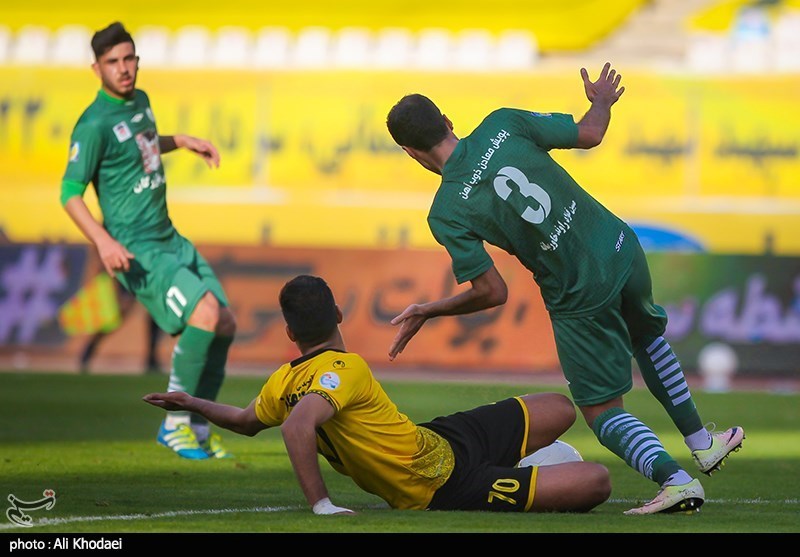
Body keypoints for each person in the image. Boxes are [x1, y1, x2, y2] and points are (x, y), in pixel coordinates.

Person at [384, 62, 745, 515]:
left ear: (410, 153)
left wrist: (430, 309)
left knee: (601, 410)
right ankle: (702, 443)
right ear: (447, 120)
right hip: (620, 246)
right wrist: (601, 101)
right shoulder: (502, 123)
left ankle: (675, 481)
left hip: (578, 292)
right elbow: (590, 133)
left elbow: (493, 292)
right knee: (647, 337)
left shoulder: (446, 212)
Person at [143, 274, 612, 515]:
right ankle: (519, 473)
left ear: (289, 332)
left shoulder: (281, 382)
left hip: (440, 439)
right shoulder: (344, 368)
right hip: (441, 490)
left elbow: (246, 422)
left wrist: (192, 402)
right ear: (339, 314)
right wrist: (321, 504)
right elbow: (298, 426)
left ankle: (520, 464)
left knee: (559, 407)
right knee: (596, 482)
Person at [60, 22, 236, 460]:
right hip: (137, 249)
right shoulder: (93, 124)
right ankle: (173, 426)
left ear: (137, 61)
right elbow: (69, 193)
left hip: (169, 237)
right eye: (112, 62)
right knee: (205, 313)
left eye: (129, 58)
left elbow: (142, 146)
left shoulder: (140, 101)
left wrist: (182, 141)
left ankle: (197, 427)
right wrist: (103, 242)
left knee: (225, 323)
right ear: (97, 69)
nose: (123, 68)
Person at [79, 274, 163, 375]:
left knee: (155, 314)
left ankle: (151, 358)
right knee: (118, 315)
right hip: (131, 274)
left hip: (149, 275)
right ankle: (89, 349)